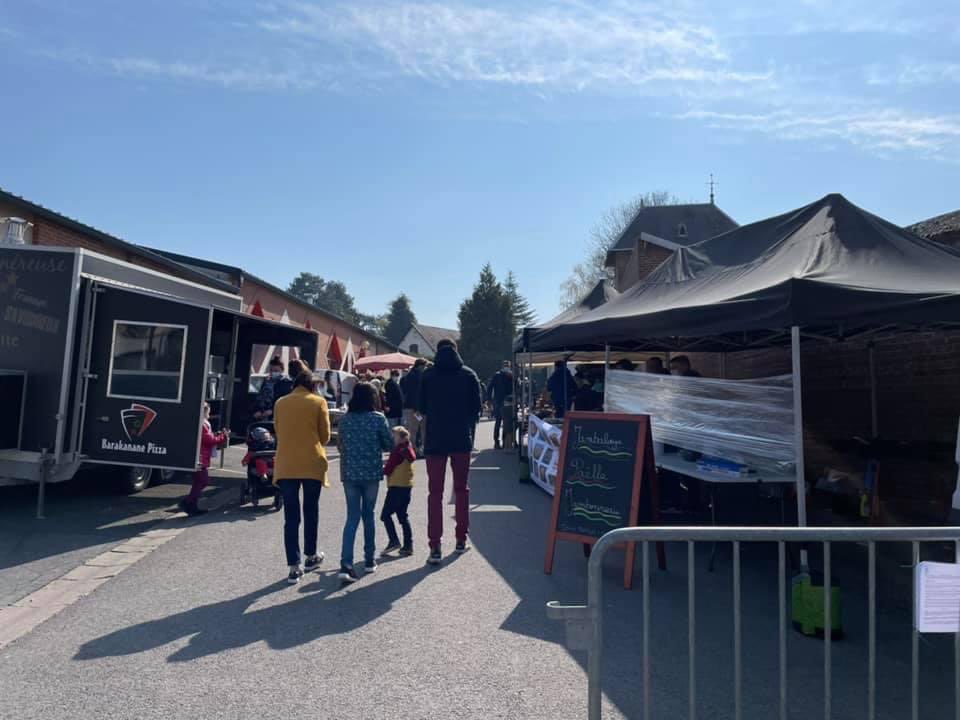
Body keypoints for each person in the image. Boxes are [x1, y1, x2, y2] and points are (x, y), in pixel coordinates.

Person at [418, 338, 482, 564]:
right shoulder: (468, 375)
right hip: (461, 439)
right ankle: (461, 539)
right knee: (461, 490)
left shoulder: (428, 375)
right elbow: (477, 410)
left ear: (437, 351)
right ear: (456, 350)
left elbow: (422, 409)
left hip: (435, 440)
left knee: (434, 493)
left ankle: (434, 546)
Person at [273, 371, 331, 584]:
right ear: (312, 386)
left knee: (291, 516)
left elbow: (278, 430)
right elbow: (324, 437)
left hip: (286, 463)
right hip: (311, 462)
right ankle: (311, 554)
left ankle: (293, 566)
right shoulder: (318, 402)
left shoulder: (281, 403)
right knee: (311, 509)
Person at [336, 382, 393, 583]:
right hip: (370, 472)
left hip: (350, 473)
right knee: (368, 515)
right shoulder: (378, 419)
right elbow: (388, 444)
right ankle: (369, 560)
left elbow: (340, 445)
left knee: (352, 517)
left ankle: (346, 563)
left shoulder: (345, 420)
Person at [179, 402, 227, 516]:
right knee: (203, 480)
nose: (209, 414)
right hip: (199, 457)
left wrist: (217, 435)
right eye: (208, 412)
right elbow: (209, 440)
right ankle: (188, 502)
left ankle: (192, 505)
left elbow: (208, 438)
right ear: (204, 412)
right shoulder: (202, 424)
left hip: (199, 455)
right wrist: (223, 436)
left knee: (199, 481)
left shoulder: (202, 424)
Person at [380, 425, 416, 557]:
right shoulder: (408, 448)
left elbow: (388, 468)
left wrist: (380, 470)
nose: (392, 438)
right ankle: (408, 545)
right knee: (402, 516)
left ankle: (393, 540)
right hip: (407, 485)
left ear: (401, 437)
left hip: (396, 486)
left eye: (394, 435)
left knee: (385, 515)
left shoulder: (398, 451)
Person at [400, 358, 427, 455]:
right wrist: (418, 408)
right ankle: (419, 450)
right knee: (421, 429)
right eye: (424, 366)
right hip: (417, 408)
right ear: (420, 366)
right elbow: (416, 393)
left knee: (413, 429)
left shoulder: (409, 376)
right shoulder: (417, 376)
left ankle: (412, 449)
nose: (424, 368)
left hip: (411, 407)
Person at [486, 360, 514, 450]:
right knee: (506, 422)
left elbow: (490, 387)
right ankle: (504, 441)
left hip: (498, 401)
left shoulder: (497, 375)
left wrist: (489, 399)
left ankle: (497, 442)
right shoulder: (510, 375)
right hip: (507, 401)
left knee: (498, 422)